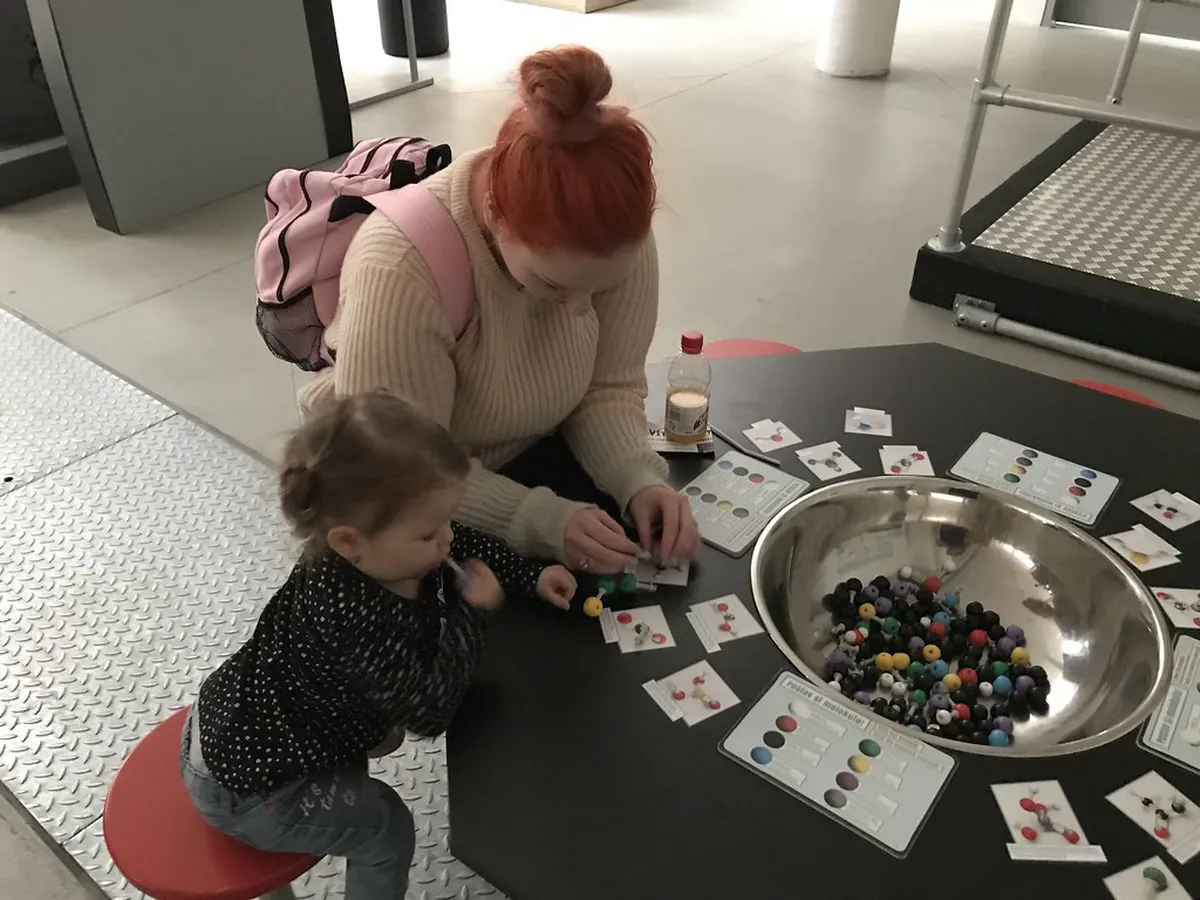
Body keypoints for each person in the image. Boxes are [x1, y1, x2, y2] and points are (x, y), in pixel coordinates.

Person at [298, 44, 700, 575]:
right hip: (413, 507)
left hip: (537, 455)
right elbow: (402, 473)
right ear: (493, 212)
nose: (580, 311)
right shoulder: (397, 270)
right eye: (553, 285)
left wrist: (638, 478)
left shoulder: (613, 233)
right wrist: (541, 520)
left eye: (602, 287)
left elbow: (607, 389)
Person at [180, 393, 577, 900]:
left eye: (446, 519)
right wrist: (473, 613)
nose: (446, 539)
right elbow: (430, 712)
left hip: (234, 721)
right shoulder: (351, 612)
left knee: (377, 734)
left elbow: (462, 544)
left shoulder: (385, 547)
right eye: (428, 534)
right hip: (251, 789)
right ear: (350, 542)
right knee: (386, 829)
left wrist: (529, 574)